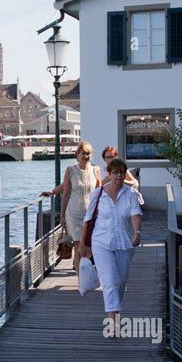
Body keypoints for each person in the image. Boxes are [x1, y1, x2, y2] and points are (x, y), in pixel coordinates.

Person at [79, 158, 142, 338]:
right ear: (109, 173)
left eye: (122, 172)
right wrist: (83, 244)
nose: (119, 176)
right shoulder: (98, 194)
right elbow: (88, 220)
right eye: (115, 172)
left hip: (124, 243)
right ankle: (113, 323)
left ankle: (115, 312)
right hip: (101, 243)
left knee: (121, 282)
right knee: (109, 281)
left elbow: (136, 215)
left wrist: (137, 232)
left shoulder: (130, 193)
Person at [41, 140, 101, 275]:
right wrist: (62, 216)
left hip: (90, 214)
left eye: (88, 153)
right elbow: (66, 193)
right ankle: (81, 279)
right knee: (79, 245)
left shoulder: (96, 170)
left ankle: (87, 272)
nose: (86, 156)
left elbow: (100, 193)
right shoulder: (71, 170)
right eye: (83, 153)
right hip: (74, 213)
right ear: (77, 154)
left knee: (89, 245)